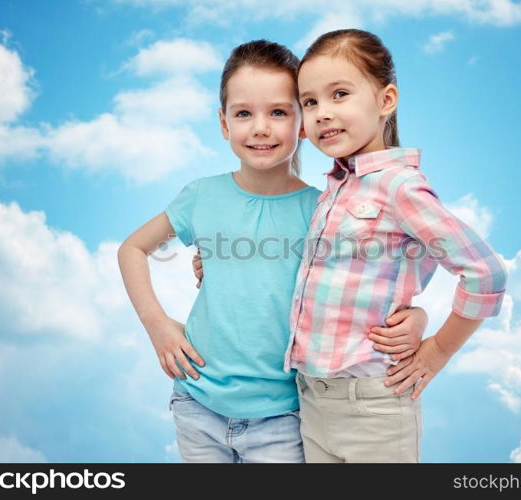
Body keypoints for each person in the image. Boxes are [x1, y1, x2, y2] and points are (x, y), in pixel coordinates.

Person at [117, 39, 427, 463]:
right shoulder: (200, 197)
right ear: (224, 123)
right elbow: (133, 248)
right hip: (196, 404)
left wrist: (417, 316)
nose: (260, 127)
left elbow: (373, 284)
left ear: (303, 122)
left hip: (285, 419)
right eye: (243, 113)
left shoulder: (325, 210)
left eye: (278, 112)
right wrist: (157, 325)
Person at [283, 29, 509, 463]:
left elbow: (486, 272)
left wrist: (438, 348)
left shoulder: (399, 187)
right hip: (312, 401)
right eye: (309, 102)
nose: (322, 113)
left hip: (375, 405)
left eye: (340, 94)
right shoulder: (333, 191)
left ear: (386, 100)